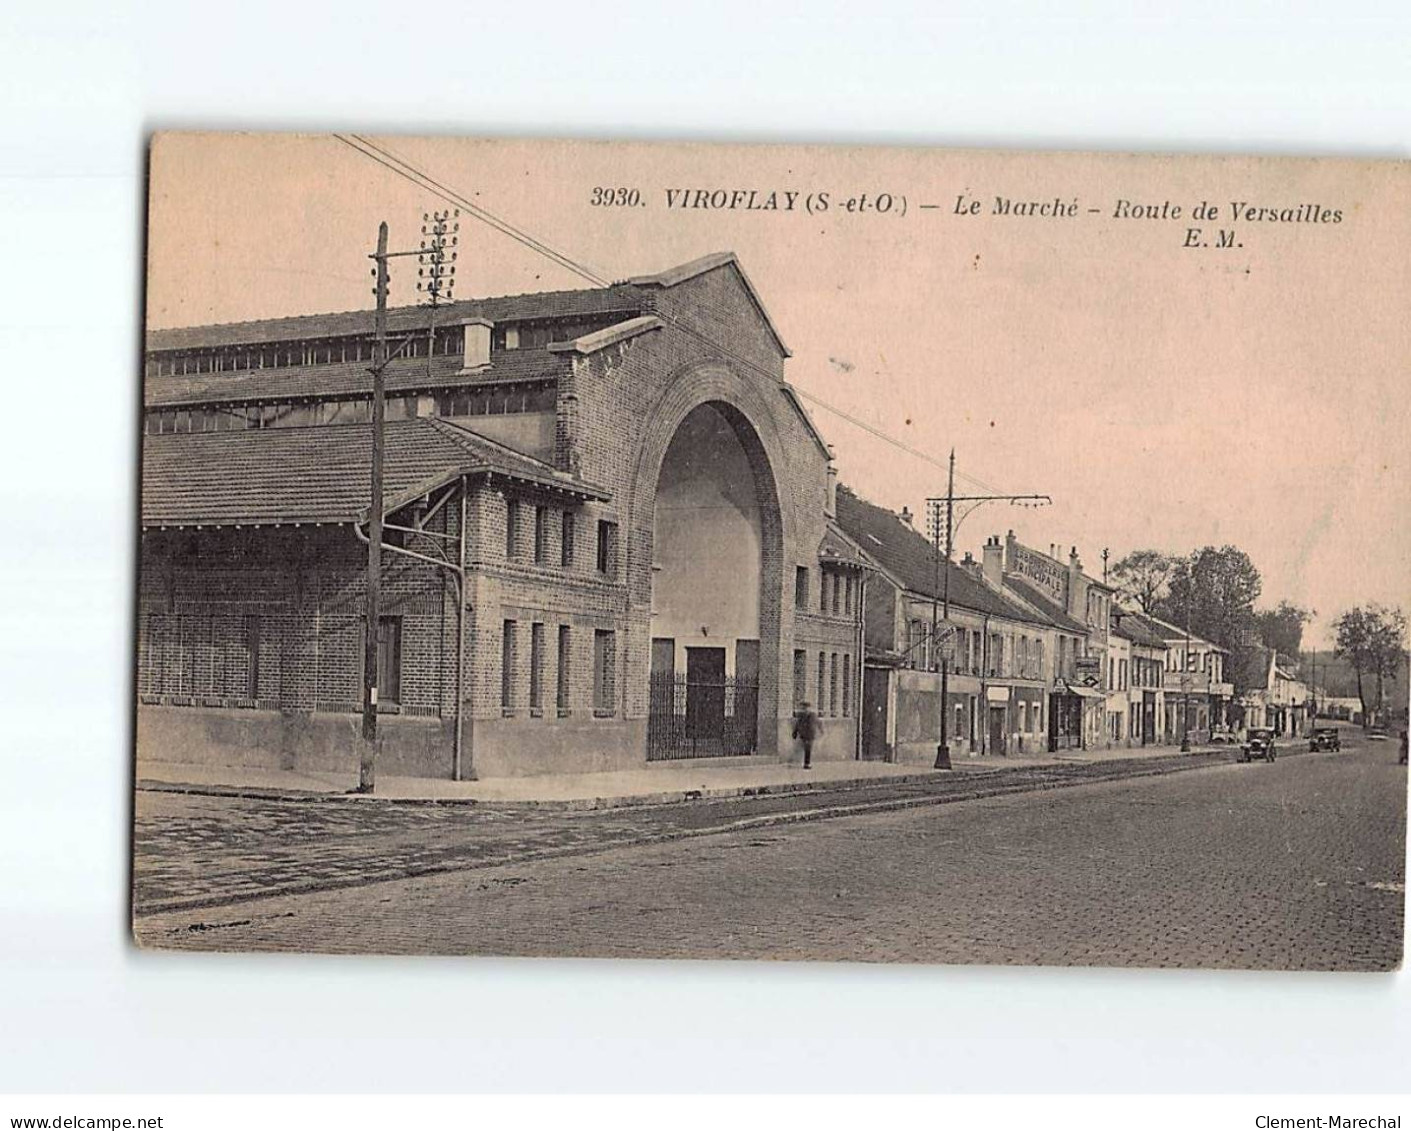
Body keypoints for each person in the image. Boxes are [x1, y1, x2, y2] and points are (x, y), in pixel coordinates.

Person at [792, 699, 820, 769]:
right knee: (807, 749)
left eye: (806, 708)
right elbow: (798, 724)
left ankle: (806, 763)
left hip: (810, 734)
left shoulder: (812, 715)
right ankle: (806, 763)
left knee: (808, 749)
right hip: (805, 734)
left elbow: (817, 723)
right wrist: (795, 732)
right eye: (804, 708)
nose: (805, 709)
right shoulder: (801, 716)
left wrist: (819, 730)